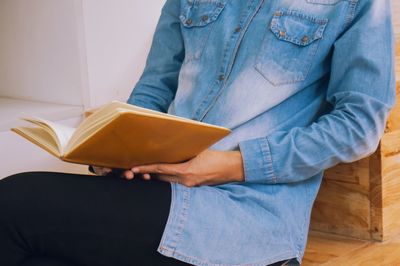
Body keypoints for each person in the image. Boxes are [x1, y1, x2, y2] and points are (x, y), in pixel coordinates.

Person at [0, 0, 396, 265]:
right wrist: (117, 147)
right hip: (157, 186)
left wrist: (231, 165)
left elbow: (359, 124)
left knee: (12, 203)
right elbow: (155, 87)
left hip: (245, 214)